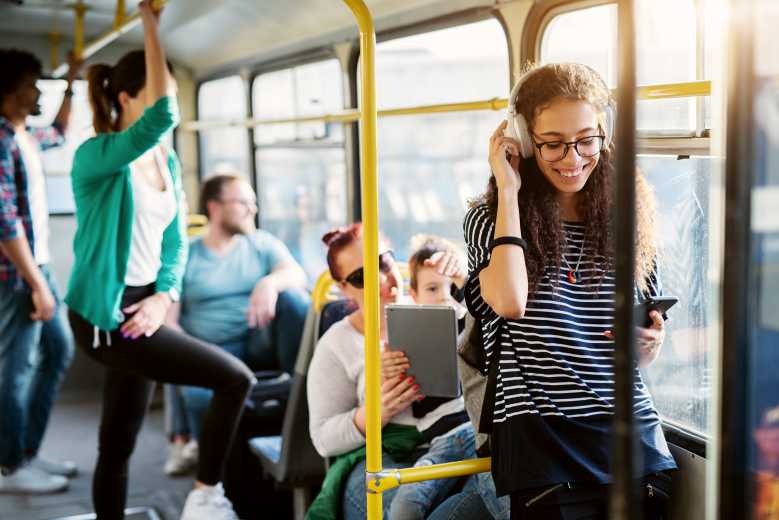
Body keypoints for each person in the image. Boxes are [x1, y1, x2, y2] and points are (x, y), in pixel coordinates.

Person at [464, 62, 676, 520]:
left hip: (633, 437)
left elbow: (642, 344)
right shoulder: (491, 219)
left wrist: (650, 341)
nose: (573, 158)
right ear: (522, 139)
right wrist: (507, 191)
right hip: (543, 442)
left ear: (605, 132)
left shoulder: (628, 219)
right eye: (553, 144)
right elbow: (508, 301)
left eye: (586, 140)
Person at [65, 3, 253, 519]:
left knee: (118, 441)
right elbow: (164, 116)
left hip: (145, 303)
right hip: (105, 313)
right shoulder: (96, 157)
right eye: (158, 90)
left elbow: (175, 243)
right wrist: (151, 23)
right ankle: (205, 496)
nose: (167, 103)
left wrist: (163, 294)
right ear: (127, 99)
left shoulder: (166, 160)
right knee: (235, 379)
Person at [306, 224, 490, 520]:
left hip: (454, 438)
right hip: (382, 454)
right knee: (406, 507)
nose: (380, 279)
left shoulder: (436, 305)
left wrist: (462, 277)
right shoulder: (336, 345)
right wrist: (373, 414)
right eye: (361, 277)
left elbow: (486, 324)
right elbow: (323, 438)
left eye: (383, 263)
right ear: (344, 288)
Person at [164, 173, 309, 472]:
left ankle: (300, 387)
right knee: (197, 393)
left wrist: (269, 283)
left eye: (253, 202)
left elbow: (297, 275)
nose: (252, 209)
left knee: (293, 300)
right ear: (214, 207)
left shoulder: (261, 244)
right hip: (209, 350)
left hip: (256, 340)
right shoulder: (187, 255)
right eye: (243, 202)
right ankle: (211, 473)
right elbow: (170, 323)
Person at [0, 48, 81, 494]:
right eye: (33, 84)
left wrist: (71, 81)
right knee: (15, 368)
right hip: (15, 276)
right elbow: (3, 221)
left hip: (38, 266)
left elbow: (60, 132)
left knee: (58, 350)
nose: (37, 92)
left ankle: (25, 451)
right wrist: (36, 285)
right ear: (10, 90)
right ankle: (10, 466)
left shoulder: (24, 135)